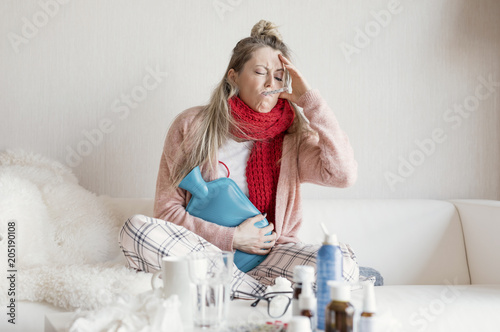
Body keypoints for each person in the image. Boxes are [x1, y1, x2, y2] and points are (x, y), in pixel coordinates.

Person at [119, 20, 362, 296]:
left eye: (280, 76)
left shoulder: (293, 139)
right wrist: (232, 239)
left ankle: (229, 290)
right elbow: (166, 213)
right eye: (260, 72)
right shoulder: (192, 127)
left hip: (271, 257)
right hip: (204, 254)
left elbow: (344, 175)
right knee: (135, 230)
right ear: (233, 76)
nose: (272, 82)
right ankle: (264, 294)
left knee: (342, 266)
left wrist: (310, 101)